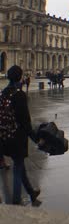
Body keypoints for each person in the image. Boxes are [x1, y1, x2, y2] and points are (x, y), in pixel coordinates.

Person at [1, 65, 40, 205]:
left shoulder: (3, 92)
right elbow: (25, 122)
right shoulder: (19, 95)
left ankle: (30, 191)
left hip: (5, 136)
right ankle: (16, 202)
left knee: (19, 165)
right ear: (20, 77)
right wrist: (36, 139)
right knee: (17, 169)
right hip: (17, 138)